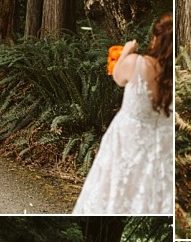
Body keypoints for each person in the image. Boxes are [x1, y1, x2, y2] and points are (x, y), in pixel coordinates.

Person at [72, 13, 173, 214]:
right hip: (162, 145)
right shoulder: (174, 77)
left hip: (126, 141)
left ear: (156, 38)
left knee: (114, 189)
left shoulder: (137, 63)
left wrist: (126, 51)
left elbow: (117, 76)